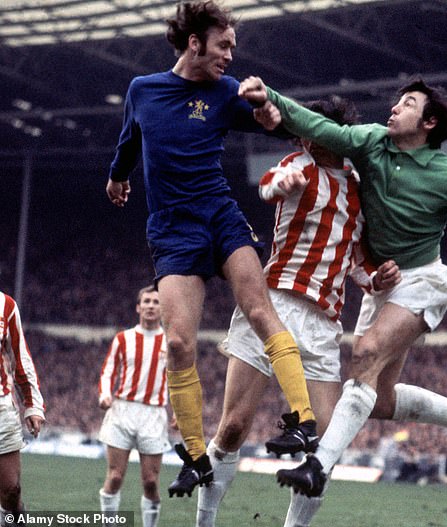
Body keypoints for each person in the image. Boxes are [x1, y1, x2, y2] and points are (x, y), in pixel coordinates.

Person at [238, 75, 447, 499]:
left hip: (422, 280)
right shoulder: (372, 141)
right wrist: (273, 97)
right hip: (383, 285)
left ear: (428, 123)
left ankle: (318, 465)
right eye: (397, 101)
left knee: (365, 354)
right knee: (376, 400)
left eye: (407, 103)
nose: (394, 108)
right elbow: (324, 129)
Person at [105, 1, 318, 498]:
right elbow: (129, 140)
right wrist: (117, 177)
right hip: (172, 231)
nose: (230, 55)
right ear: (194, 42)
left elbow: (278, 122)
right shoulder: (143, 90)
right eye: (224, 45)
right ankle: (197, 457)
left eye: (233, 48)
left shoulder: (225, 92)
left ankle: (303, 419)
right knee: (178, 343)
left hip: (219, 215)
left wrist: (267, 109)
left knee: (260, 309)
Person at [195, 96, 401, 527]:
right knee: (233, 427)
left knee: (325, 444)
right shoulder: (298, 166)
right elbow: (270, 184)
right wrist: (279, 187)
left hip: (324, 321)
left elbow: (357, 260)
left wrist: (374, 279)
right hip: (273, 306)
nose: (306, 137)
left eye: (312, 130)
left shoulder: (358, 186)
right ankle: (205, 521)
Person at [98, 286, 170, 527]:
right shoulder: (123, 338)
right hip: (123, 411)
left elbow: (180, 378)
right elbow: (108, 371)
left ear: (162, 308)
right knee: (115, 476)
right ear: (138, 307)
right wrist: (105, 395)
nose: (151, 305)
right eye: (146, 301)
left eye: (156, 302)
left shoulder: (170, 341)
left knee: (150, 481)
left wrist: (181, 413)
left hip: (154, 414)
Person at [0, 292, 45, 526]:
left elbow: (20, 357)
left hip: (1, 407)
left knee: (11, 489)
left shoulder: (6, 305)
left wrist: (33, 405)